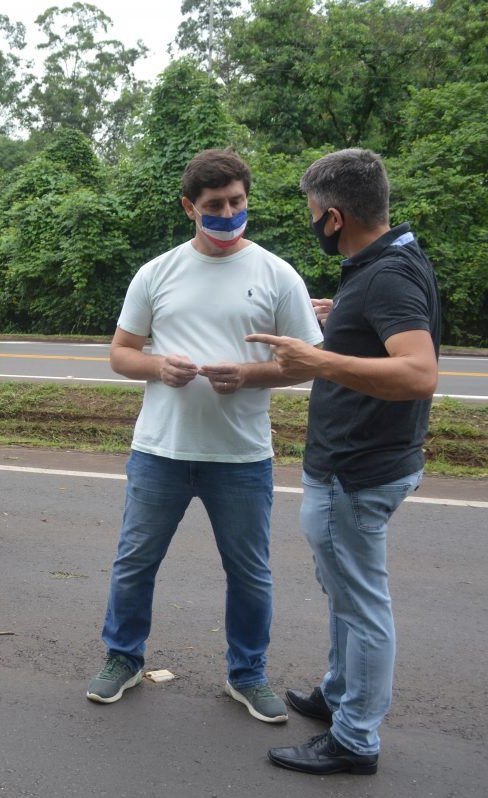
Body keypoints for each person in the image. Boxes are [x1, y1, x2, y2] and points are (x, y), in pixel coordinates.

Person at [86, 149, 323, 724]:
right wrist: (158, 366)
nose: (228, 214)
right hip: (159, 452)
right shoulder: (158, 272)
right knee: (135, 561)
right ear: (190, 207)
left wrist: (249, 375)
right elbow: (121, 353)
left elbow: (312, 362)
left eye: (237, 202)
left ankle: (247, 674)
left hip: (241, 456)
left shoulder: (276, 274)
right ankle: (124, 658)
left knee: (249, 571)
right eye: (214, 206)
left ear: (247, 198)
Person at [251, 149, 441, 776]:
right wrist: (342, 321)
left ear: (333, 216)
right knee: (343, 593)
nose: (312, 223)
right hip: (365, 463)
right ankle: (339, 695)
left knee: (361, 604)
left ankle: (355, 737)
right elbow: (383, 337)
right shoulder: (385, 262)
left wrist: (320, 360)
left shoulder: (387, 275)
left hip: (355, 471)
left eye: (312, 213)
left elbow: (418, 373)